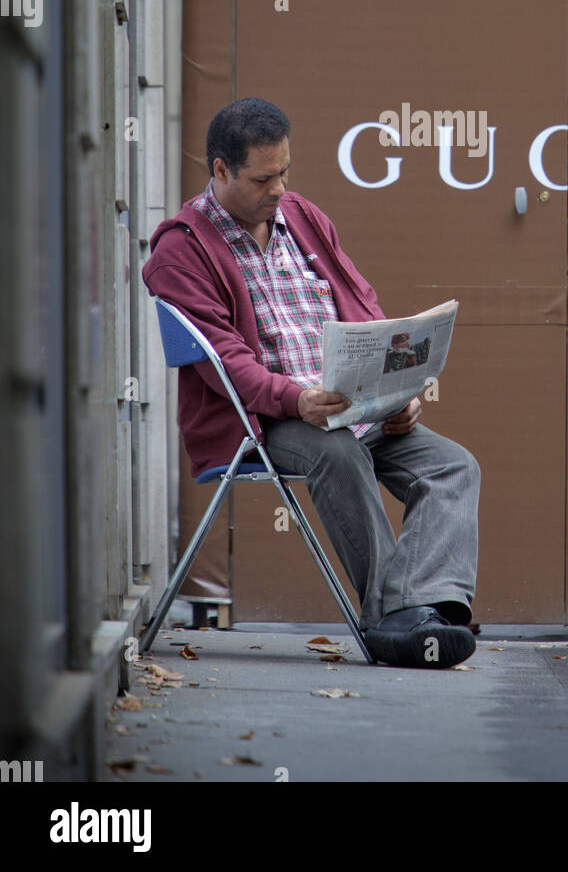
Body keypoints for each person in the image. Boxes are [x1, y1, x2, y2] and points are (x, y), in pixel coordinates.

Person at [141, 97, 481, 668]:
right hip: (268, 419)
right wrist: (297, 399)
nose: (279, 189)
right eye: (263, 177)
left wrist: (397, 391)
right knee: (339, 452)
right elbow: (226, 363)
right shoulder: (181, 248)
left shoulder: (303, 217)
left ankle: (425, 610)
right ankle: (392, 619)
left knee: (452, 465)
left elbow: (364, 310)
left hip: (350, 407)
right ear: (220, 170)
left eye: (286, 172)